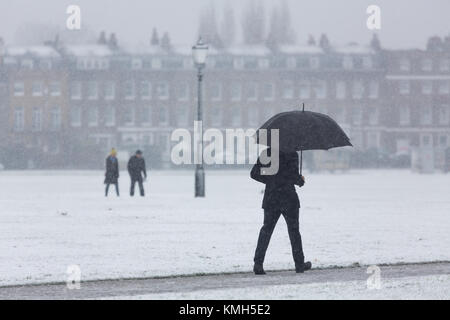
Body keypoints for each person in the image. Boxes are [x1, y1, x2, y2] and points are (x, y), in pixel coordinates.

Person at [250, 150, 312, 275]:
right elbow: (293, 177)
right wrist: (300, 180)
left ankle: (258, 263)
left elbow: (254, 173)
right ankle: (299, 264)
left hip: (271, 197)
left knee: (266, 230)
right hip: (288, 198)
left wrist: (270, 180)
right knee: (294, 231)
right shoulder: (292, 154)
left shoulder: (267, 153)